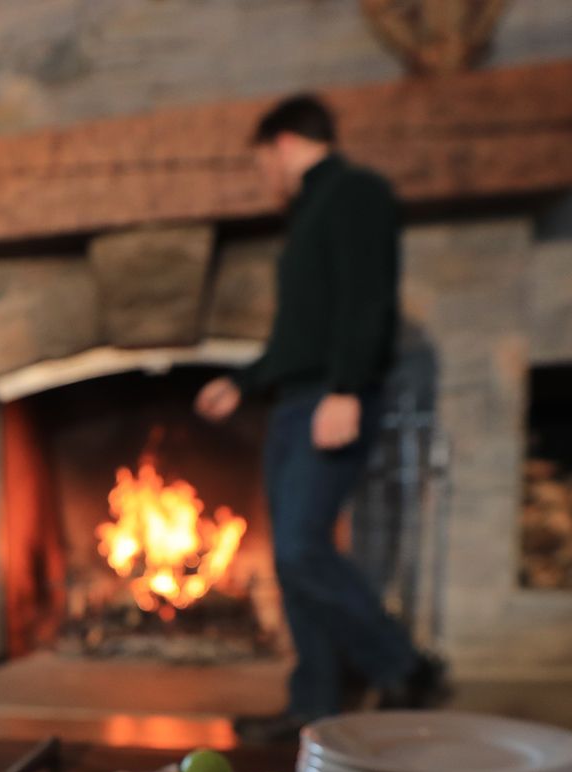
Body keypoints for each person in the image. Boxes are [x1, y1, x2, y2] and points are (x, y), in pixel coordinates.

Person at [196, 94, 445, 736]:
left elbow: (369, 297)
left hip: (326, 396)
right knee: (288, 558)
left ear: (281, 143)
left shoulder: (354, 192)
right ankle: (314, 703)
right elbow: (297, 335)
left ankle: (404, 666)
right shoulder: (309, 213)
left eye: (261, 162)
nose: (265, 177)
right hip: (294, 397)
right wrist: (243, 382)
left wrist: (347, 387)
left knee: (306, 549)